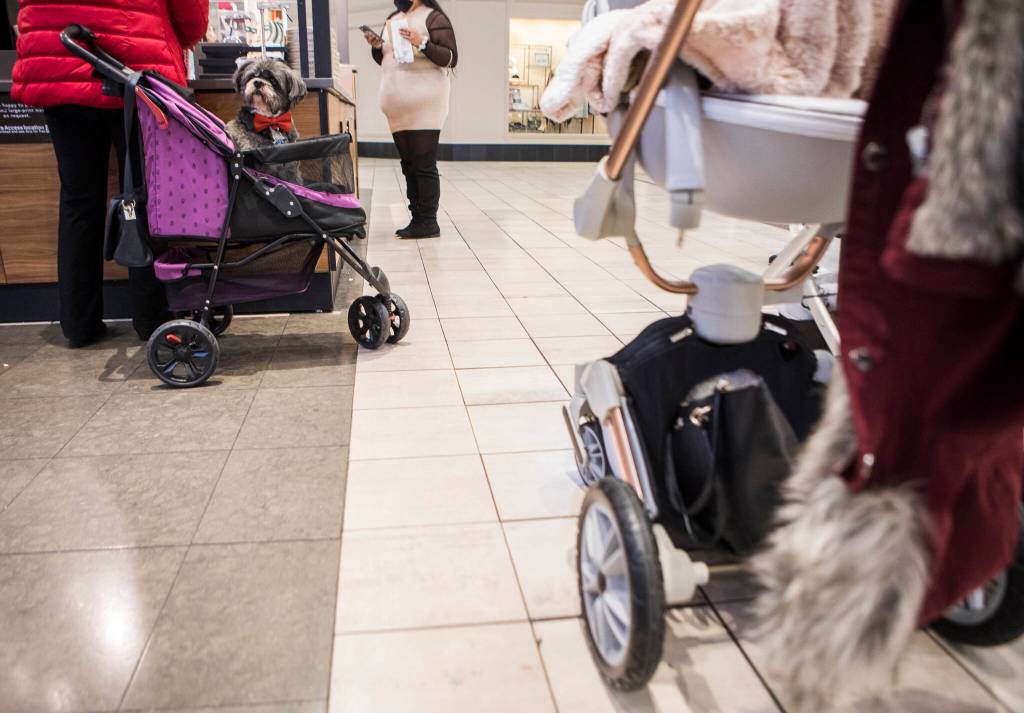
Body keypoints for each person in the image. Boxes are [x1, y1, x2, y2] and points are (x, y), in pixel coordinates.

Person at [11, 0, 208, 348]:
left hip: (61, 56)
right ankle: (153, 319)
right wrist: (187, 37)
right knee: (145, 194)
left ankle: (78, 322)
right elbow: (190, 13)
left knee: (78, 198)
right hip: (136, 62)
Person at [364, 0, 457, 240]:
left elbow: (450, 58)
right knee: (409, 164)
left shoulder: (433, 17)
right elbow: (388, 58)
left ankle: (428, 221)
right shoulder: (394, 17)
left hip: (425, 102)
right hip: (396, 104)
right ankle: (417, 217)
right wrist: (377, 46)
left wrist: (422, 42)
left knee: (423, 162)